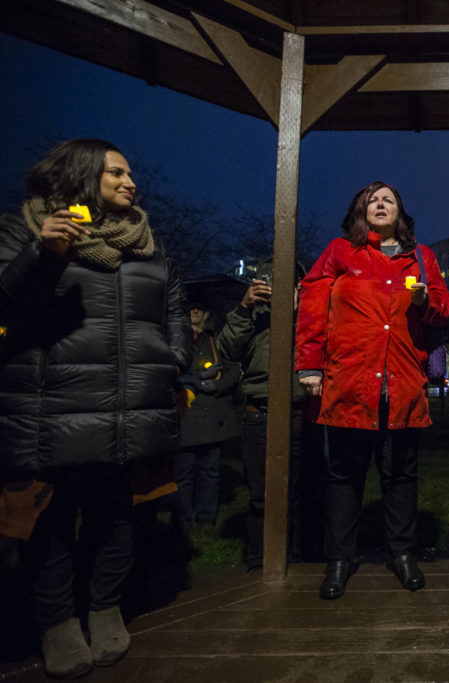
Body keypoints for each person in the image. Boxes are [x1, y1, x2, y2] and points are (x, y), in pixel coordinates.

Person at [0, 139, 190, 678]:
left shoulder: (148, 244)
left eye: (131, 174)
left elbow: (173, 307)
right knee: (50, 520)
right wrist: (44, 253)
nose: (131, 182)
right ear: (81, 177)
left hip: (129, 404)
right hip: (52, 402)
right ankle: (57, 622)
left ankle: (106, 607)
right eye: (116, 173)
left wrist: (172, 357)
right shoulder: (24, 229)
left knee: (118, 513)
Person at [295, 181, 449, 600]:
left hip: (402, 381)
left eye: (389, 200)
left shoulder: (423, 257)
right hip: (350, 380)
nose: (380, 204)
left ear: (401, 213)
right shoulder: (339, 252)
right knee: (344, 475)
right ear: (360, 212)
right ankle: (340, 559)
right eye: (372, 200)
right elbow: (312, 307)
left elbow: (444, 308)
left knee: (400, 474)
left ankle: (402, 554)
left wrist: (425, 301)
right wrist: (309, 364)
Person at [216, 264, 319, 569]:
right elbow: (228, 349)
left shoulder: (311, 316)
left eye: (291, 282)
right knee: (262, 497)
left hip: (302, 416)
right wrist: (245, 308)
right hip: (260, 416)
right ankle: (259, 564)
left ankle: (300, 562)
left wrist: (300, 310)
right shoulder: (255, 317)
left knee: (303, 495)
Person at [170, 301, 240, 533]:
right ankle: (182, 519)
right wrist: (195, 379)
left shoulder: (216, 339)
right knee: (184, 471)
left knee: (209, 471)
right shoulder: (176, 339)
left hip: (212, 416)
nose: (195, 311)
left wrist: (217, 385)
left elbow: (233, 371)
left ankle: (207, 518)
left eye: (200, 307)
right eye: (191, 307)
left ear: (208, 312)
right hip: (186, 412)